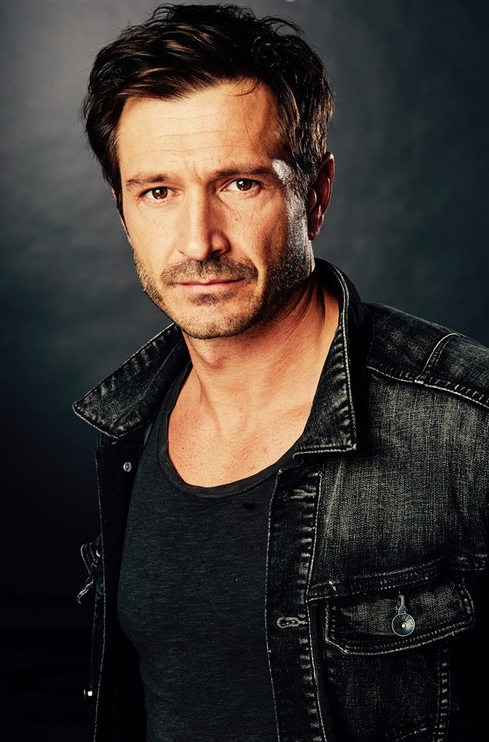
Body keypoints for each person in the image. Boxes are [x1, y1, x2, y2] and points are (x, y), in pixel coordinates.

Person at [74, 4, 488, 741]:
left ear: (315, 193)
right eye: (158, 191)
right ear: (123, 209)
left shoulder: (468, 423)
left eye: (240, 184)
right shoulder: (128, 431)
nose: (198, 242)